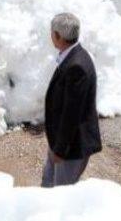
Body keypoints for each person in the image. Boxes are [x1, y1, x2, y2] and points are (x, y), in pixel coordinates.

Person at [42, 12, 101, 188]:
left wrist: (60, 150)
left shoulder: (77, 66)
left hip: (70, 148)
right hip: (61, 143)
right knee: (47, 186)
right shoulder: (72, 56)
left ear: (58, 36)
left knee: (60, 195)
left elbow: (71, 115)